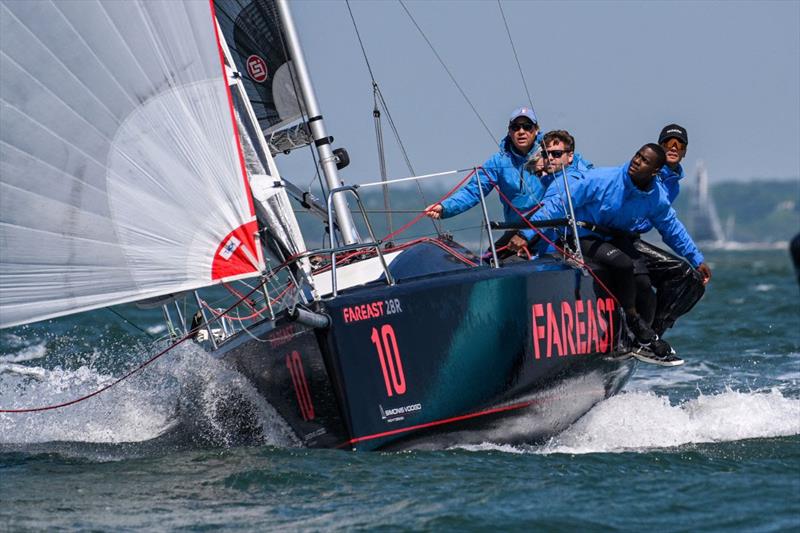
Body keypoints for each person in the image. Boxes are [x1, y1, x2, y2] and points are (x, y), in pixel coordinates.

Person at [519, 144, 712, 366]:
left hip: (614, 238)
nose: (637, 161)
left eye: (644, 161)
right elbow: (558, 204)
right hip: (581, 237)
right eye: (637, 155)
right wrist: (525, 234)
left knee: (645, 287)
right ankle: (633, 320)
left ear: (655, 172)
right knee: (622, 264)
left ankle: (639, 342)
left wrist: (696, 259)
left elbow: (672, 228)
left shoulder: (655, 198)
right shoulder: (602, 179)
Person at [630, 124, 706, 335]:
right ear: (659, 147)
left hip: (633, 239)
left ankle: (654, 331)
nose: (674, 148)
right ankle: (647, 334)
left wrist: (697, 259)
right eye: (668, 143)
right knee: (681, 275)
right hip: (620, 237)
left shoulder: (673, 185)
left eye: (679, 145)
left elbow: (667, 223)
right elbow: (668, 224)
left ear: (684, 152)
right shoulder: (650, 174)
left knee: (694, 284)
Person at [424, 106, 545, 223]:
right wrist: (445, 207)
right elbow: (474, 191)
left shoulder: (550, 156)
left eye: (527, 127)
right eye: (515, 127)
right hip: (515, 232)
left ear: (536, 130)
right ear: (509, 131)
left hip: (549, 230)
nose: (521, 131)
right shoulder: (498, 161)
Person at [507, 129, 585, 255]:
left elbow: (548, 210)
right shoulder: (551, 180)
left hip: (561, 251)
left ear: (570, 156)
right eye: (545, 154)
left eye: (556, 154)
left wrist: (524, 235)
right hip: (549, 247)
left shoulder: (568, 180)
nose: (549, 158)